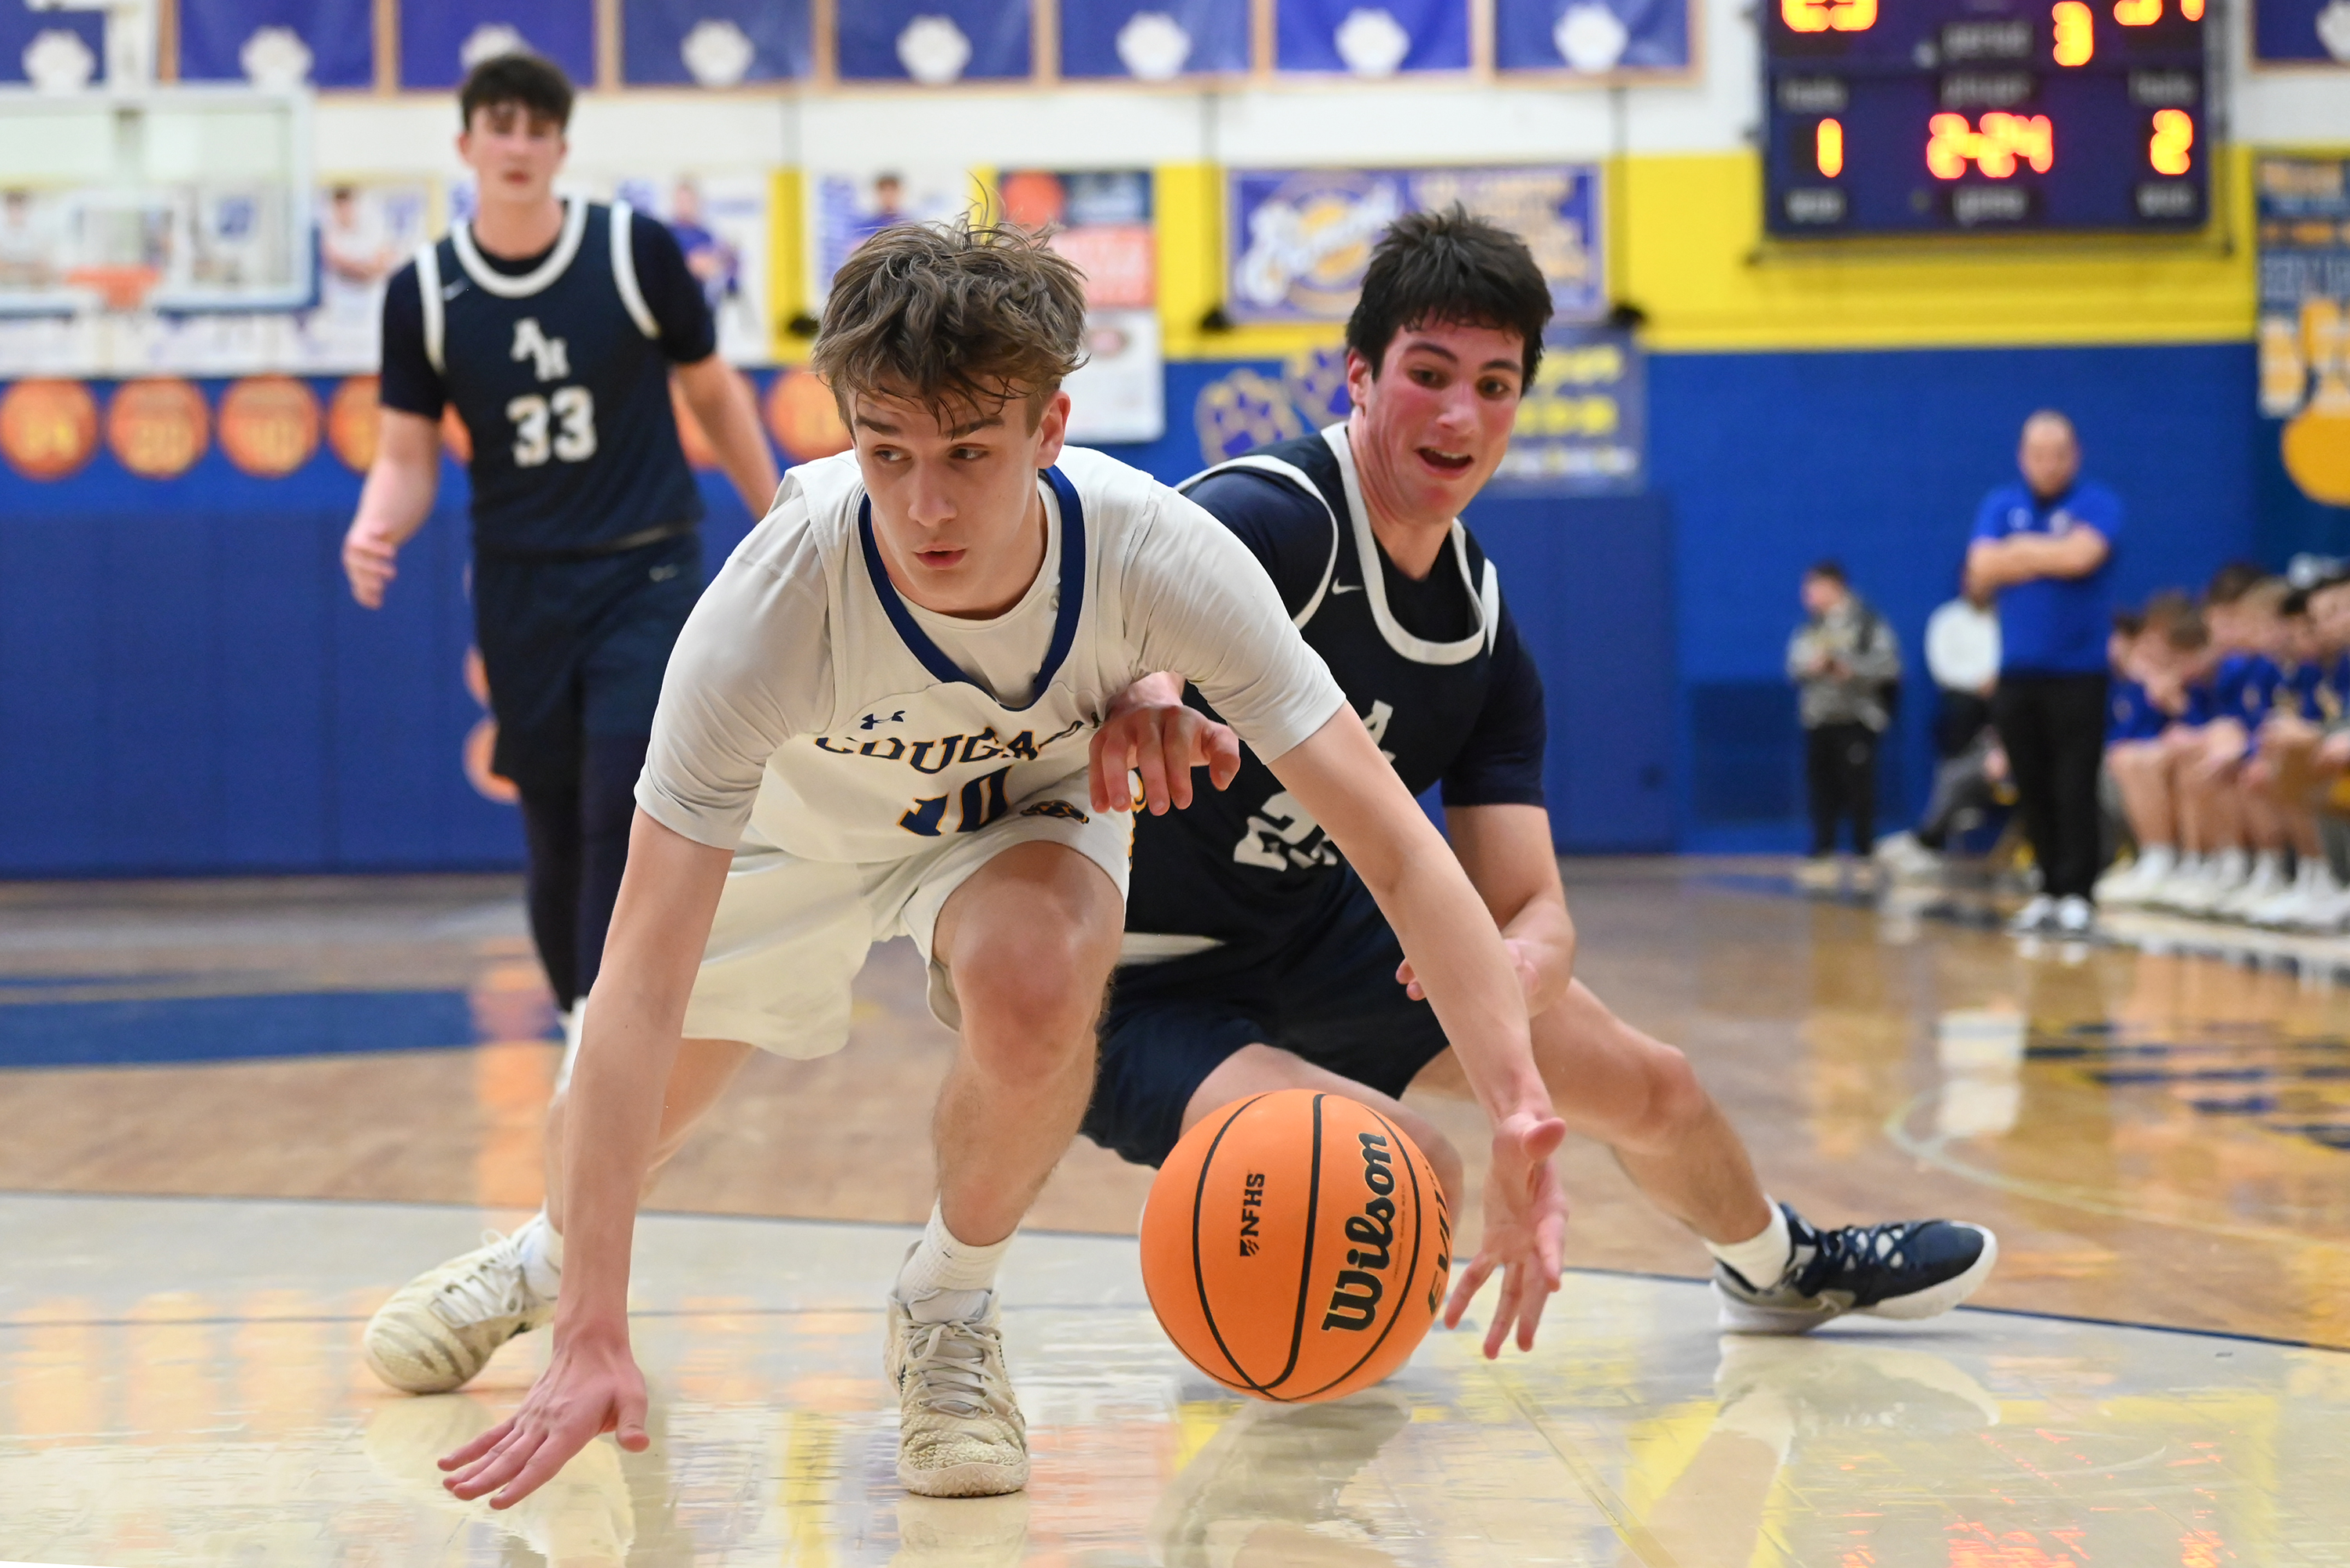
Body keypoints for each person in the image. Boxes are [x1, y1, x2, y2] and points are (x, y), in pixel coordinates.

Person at [389, 222, 1574, 1508]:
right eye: (887, 454)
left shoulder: (1152, 554)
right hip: (807, 832)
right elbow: (635, 981)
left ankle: (947, 1309)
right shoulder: (766, 608)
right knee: (630, 1114)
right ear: (848, 432)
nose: (927, 503)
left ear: (1051, 428)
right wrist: (596, 1324)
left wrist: (1515, 1105)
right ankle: (547, 1261)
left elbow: (1397, 848)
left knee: (1039, 974)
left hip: (1016, 815)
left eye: (969, 453)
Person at [1079, 210, 1994, 1359]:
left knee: (1650, 1084)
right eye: (1428, 373)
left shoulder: (1478, 632)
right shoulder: (1270, 518)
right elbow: (1130, 614)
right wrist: (1149, 686)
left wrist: (1510, 978)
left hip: (1321, 937)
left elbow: (1535, 906)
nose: (1461, 413)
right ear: (1359, 375)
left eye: (1496, 384)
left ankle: (1775, 1266)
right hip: (1128, 984)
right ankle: (1297, 1402)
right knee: (1395, 1177)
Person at [341, 54, 779, 1065]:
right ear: (467, 147)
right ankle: (580, 1013)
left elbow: (714, 395)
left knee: (616, 799)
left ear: (561, 147)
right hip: (522, 580)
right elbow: (404, 457)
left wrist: (778, 516)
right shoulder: (427, 294)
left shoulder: (633, 253)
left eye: (540, 127)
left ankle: (606, 1038)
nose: (521, 144)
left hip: (647, 569)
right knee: (548, 823)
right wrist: (376, 527)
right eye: (501, 125)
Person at [1965, 411, 2123, 937]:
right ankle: (2048, 888)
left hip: (2079, 671)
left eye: (2058, 453)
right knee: (2030, 783)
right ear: (2021, 456)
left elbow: (2082, 558)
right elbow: (1981, 569)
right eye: (2037, 453)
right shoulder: (1999, 503)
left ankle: (2080, 891)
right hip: (2017, 672)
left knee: (2074, 782)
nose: (2048, 464)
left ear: (2074, 455)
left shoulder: (2097, 502)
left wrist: (2019, 552)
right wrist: (2042, 554)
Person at [1785, 562, 1900, 885]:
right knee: (1821, 787)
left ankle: (1864, 852)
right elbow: (1793, 666)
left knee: (1859, 788)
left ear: (1834, 587)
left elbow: (1889, 666)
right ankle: (1824, 851)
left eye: (1813, 587)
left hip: (1855, 719)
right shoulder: (1810, 628)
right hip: (1819, 719)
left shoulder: (1868, 624)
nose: (1806, 596)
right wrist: (1813, 665)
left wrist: (1851, 669)